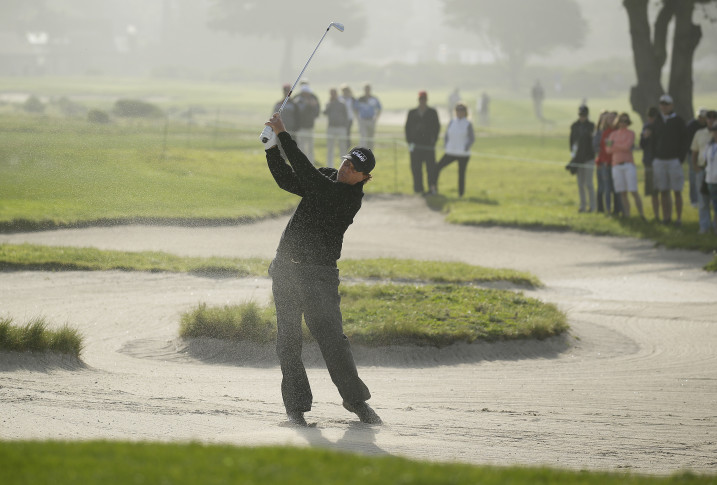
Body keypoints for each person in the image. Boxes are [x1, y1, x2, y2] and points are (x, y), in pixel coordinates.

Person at [261, 112, 381, 427]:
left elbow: (309, 178)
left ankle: (357, 403)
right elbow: (288, 179)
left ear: (364, 178)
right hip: (286, 268)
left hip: (319, 276)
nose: (346, 168)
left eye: (354, 168)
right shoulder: (328, 176)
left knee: (332, 340)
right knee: (287, 339)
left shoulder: (347, 198)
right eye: (346, 161)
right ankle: (296, 408)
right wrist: (271, 147)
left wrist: (284, 135)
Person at [653, 94, 687, 225]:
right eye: (662, 104)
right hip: (659, 160)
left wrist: (680, 158)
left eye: (666, 104)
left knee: (677, 190)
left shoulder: (678, 120)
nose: (664, 107)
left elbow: (684, 140)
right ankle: (666, 217)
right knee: (663, 191)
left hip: (674, 160)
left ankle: (678, 218)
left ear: (671, 105)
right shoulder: (657, 120)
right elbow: (653, 140)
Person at [606, 113, 645, 219]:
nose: (623, 123)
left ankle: (641, 214)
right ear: (618, 122)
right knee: (622, 192)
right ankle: (627, 214)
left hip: (628, 164)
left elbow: (627, 147)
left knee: (633, 190)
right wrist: (618, 145)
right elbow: (608, 149)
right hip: (616, 165)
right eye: (621, 121)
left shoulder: (631, 133)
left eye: (625, 121)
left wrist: (615, 145)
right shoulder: (612, 134)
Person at [435, 103, 475, 197]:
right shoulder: (452, 122)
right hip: (450, 152)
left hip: (463, 154)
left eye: (461, 110)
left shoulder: (468, 123)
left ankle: (461, 194)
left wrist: (466, 147)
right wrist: (446, 145)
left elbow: (471, 138)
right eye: (457, 110)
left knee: (461, 174)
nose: (459, 112)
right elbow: (446, 136)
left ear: (465, 112)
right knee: (437, 167)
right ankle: (434, 189)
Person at [404, 90, 441, 194]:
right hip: (415, 145)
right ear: (418, 99)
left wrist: (434, 141)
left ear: (426, 99)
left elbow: (437, 127)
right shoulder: (412, 113)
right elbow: (407, 128)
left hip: (428, 145)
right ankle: (418, 189)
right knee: (416, 168)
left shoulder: (432, 112)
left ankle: (431, 188)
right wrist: (409, 142)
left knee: (430, 168)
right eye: (421, 99)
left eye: (424, 99)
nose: (422, 101)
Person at [690, 111, 717, 234]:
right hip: (703, 170)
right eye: (709, 118)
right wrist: (695, 166)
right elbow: (695, 152)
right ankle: (704, 227)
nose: (711, 120)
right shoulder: (700, 134)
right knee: (703, 201)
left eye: (714, 118)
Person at [569, 105, 596, 213]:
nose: (582, 117)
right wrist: (573, 157)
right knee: (580, 184)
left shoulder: (591, 126)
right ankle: (583, 206)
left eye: (584, 115)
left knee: (589, 183)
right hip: (578, 159)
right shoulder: (574, 126)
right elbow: (572, 142)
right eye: (580, 115)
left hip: (589, 158)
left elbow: (593, 143)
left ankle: (593, 207)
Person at [639, 107, 661, 220]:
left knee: (664, 190)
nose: (651, 119)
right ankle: (656, 215)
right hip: (649, 161)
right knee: (653, 192)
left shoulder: (661, 127)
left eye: (653, 117)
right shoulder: (646, 127)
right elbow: (641, 145)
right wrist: (645, 137)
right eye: (650, 117)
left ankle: (666, 217)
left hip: (661, 161)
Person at [596, 111, 619, 214]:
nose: (611, 120)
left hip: (617, 163)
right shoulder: (605, 132)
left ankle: (618, 210)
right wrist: (601, 161)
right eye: (609, 118)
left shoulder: (619, 132)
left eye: (613, 118)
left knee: (617, 188)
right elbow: (604, 149)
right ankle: (608, 210)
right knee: (607, 188)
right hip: (606, 164)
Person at [685, 108, 709, 207]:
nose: (701, 119)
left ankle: (708, 199)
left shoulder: (711, 127)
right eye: (699, 117)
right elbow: (687, 140)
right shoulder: (691, 126)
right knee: (693, 178)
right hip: (693, 154)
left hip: (707, 156)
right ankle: (694, 200)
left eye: (703, 117)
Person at [294, 83, 320, 164]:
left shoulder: (313, 99)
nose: (308, 94)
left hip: (310, 127)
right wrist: (307, 105)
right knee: (301, 147)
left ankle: (311, 163)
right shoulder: (298, 99)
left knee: (310, 147)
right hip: (301, 127)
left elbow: (317, 113)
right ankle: (301, 163)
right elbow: (299, 112)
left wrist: (313, 106)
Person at [324, 87, 350, 168]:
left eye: (334, 93)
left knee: (343, 148)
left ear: (336, 94)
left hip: (341, 128)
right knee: (330, 148)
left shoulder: (342, 103)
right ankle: (330, 166)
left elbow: (346, 116)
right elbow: (325, 112)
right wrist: (330, 103)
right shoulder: (329, 103)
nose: (333, 95)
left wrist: (345, 127)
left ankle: (343, 166)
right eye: (331, 93)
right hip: (331, 127)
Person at [355, 83, 382, 150]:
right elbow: (355, 109)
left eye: (368, 89)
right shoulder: (360, 99)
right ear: (364, 90)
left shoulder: (374, 99)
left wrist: (376, 118)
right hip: (363, 120)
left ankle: (370, 152)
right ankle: (363, 152)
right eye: (366, 89)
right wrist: (358, 118)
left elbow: (379, 108)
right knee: (363, 137)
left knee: (371, 137)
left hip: (371, 119)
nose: (367, 90)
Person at [702, 121, 717, 232]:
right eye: (714, 131)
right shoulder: (709, 145)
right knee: (714, 204)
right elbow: (705, 160)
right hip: (710, 179)